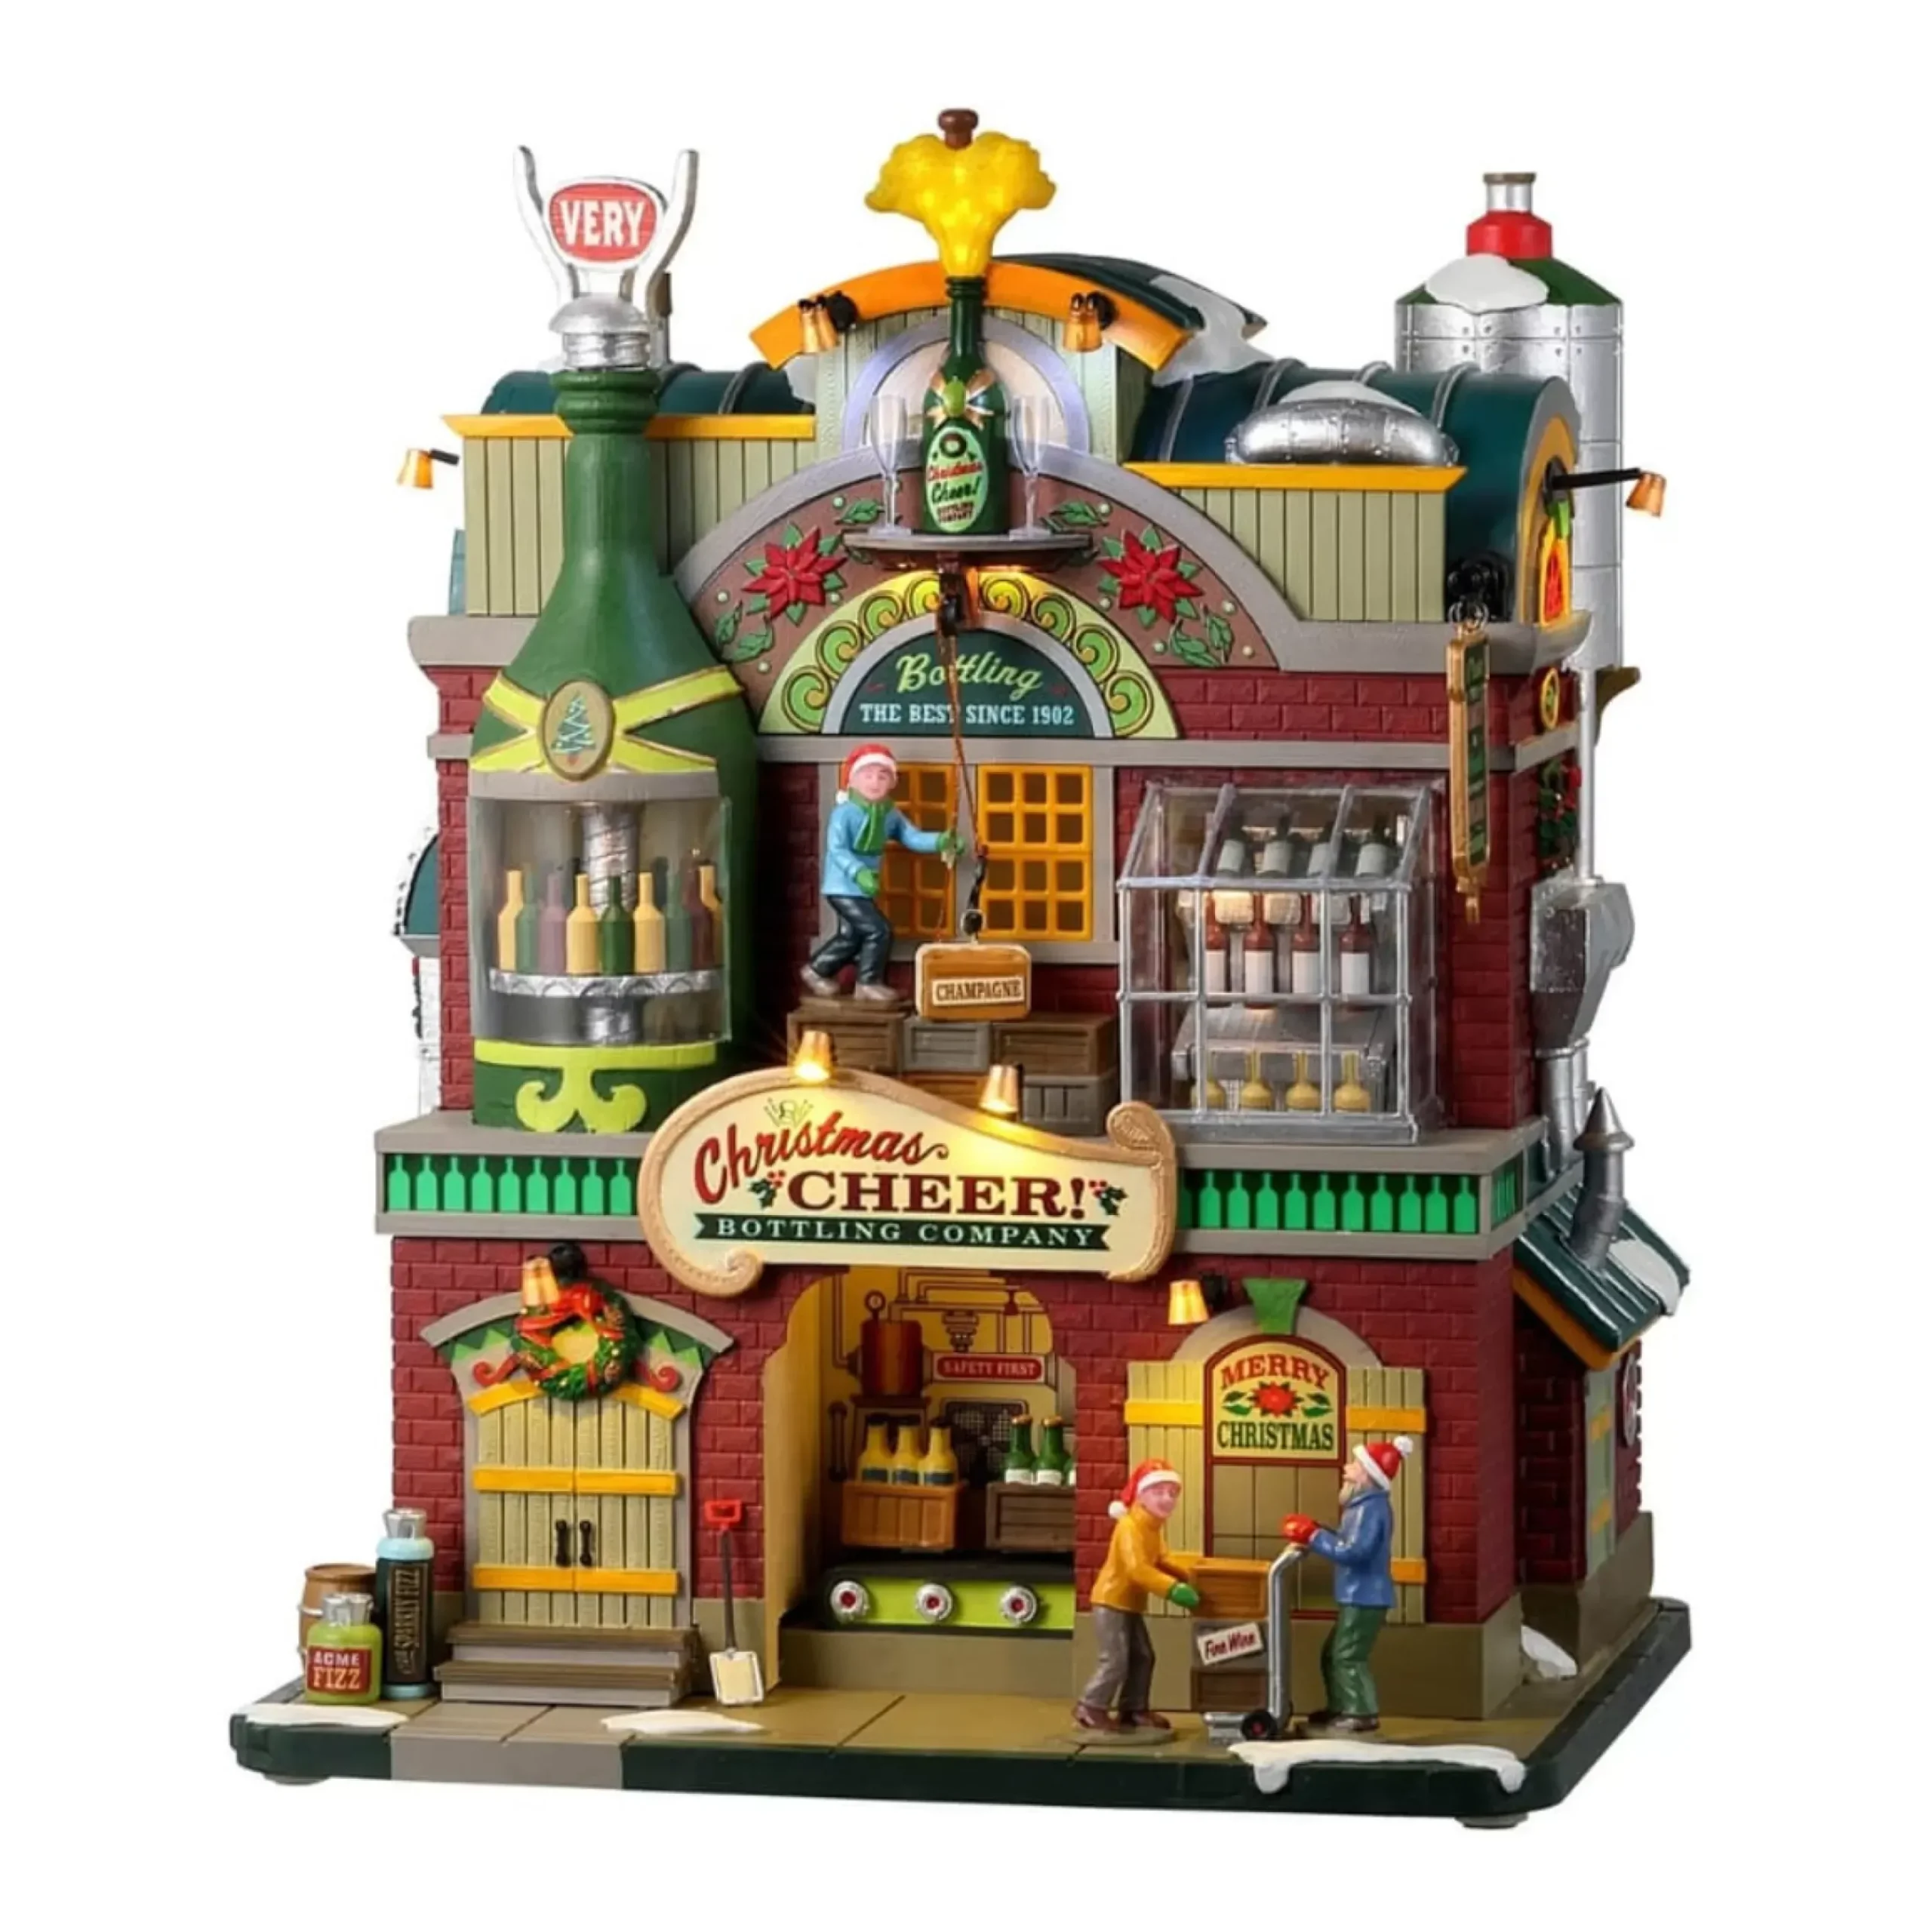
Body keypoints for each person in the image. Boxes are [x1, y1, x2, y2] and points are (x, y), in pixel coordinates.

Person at [801, 743, 960, 1002]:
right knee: (879, 930)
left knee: (851, 935)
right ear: (853, 780)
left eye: (882, 776)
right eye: (868, 775)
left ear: (892, 782)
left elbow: (911, 837)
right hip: (842, 886)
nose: (875, 782)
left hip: (865, 887)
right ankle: (868, 982)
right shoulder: (844, 813)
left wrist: (941, 841)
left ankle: (817, 970)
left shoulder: (890, 814)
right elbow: (837, 849)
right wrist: (859, 872)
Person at [1281, 1434, 1414, 1734]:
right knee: (1333, 1654)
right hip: (1357, 1594)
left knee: (1348, 1655)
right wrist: (1316, 1531)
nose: (1347, 1469)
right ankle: (1341, 1706)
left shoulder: (1370, 1509)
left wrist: (1314, 1536)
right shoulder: (1362, 1506)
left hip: (1365, 1596)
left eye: (1355, 1465)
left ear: (1367, 1475)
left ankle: (1361, 1712)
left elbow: (1354, 1552)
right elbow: (1346, 1542)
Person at [1074, 1458, 1199, 1734]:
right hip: (1111, 1601)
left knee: (1143, 1656)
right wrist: (1173, 1589)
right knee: (1115, 1659)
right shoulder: (1129, 1527)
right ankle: (1090, 1705)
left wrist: (1193, 1574)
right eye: (1159, 1492)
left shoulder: (1152, 1527)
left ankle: (1133, 1709)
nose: (1167, 1499)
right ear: (1141, 1495)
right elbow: (1138, 1569)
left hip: (1129, 1603)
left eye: (1172, 1493)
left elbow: (1163, 1559)